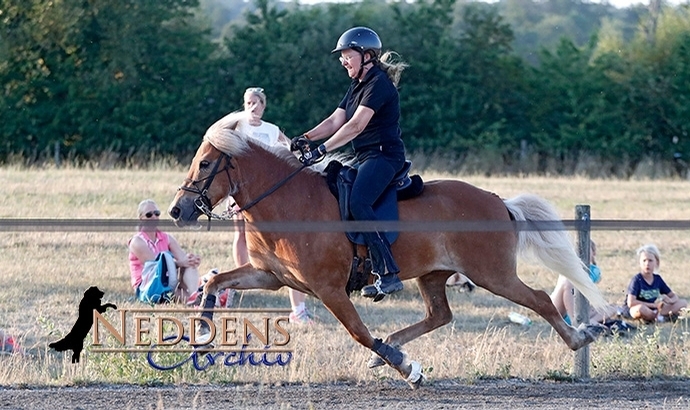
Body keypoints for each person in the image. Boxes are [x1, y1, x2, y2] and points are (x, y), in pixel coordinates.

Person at [294, 27, 409, 301]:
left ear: (366, 55)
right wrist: (305, 138)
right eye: (342, 57)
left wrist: (322, 149)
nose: (343, 61)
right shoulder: (357, 85)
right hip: (366, 156)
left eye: (347, 56)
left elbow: (355, 126)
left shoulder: (379, 84)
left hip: (384, 156)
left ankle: (388, 273)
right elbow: (336, 120)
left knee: (359, 201)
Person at [231, 87, 313, 325]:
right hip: (243, 192)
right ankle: (243, 278)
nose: (253, 107)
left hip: (271, 195)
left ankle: (297, 306)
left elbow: (289, 151)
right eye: (248, 103)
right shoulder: (239, 129)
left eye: (257, 103)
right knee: (242, 235)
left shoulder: (271, 130)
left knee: (283, 241)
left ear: (264, 105)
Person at [128, 199, 200, 303]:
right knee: (176, 293)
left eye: (157, 214)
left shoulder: (166, 237)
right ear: (141, 218)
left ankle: (194, 294)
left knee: (189, 264)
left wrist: (192, 260)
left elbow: (182, 257)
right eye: (149, 215)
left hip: (168, 280)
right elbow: (156, 267)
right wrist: (180, 263)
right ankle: (197, 300)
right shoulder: (137, 242)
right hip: (148, 285)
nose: (154, 217)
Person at [550, 240, 617, 325]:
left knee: (613, 308)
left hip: (581, 310)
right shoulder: (568, 268)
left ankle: (591, 321)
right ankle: (575, 322)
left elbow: (597, 280)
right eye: (578, 251)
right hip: (559, 311)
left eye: (586, 250)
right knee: (568, 282)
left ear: (594, 253)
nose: (582, 253)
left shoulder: (593, 271)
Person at [624, 244, 687, 323]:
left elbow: (674, 296)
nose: (647, 264)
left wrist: (670, 301)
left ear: (656, 262)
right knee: (640, 309)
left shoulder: (657, 279)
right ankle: (658, 318)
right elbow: (631, 302)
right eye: (644, 260)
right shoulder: (637, 280)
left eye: (650, 260)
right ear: (639, 263)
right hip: (637, 309)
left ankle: (656, 317)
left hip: (655, 309)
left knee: (683, 303)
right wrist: (653, 305)